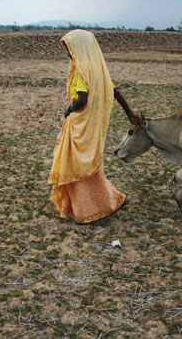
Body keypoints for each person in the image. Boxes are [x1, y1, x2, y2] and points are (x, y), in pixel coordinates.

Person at [48, 29, 141, 223]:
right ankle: (104, 201)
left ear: (80, 48)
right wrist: (129, 113)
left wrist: (69, 109)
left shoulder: (82, 70)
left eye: (70, 48)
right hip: (91, 128)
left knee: (76, 165)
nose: (68, 53)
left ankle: (86, 208)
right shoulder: (98, 68)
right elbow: (114, 92)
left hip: (80, 124)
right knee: (89, 164)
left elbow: (82, 100)